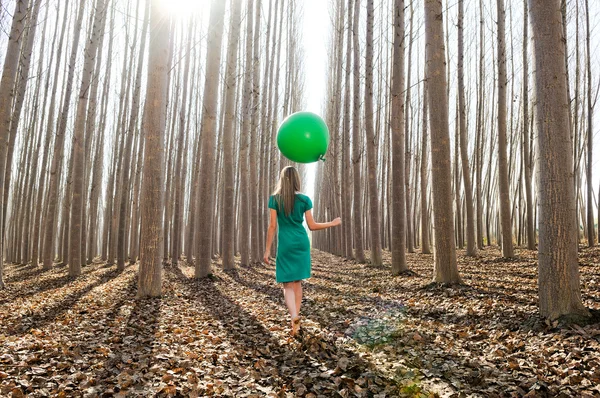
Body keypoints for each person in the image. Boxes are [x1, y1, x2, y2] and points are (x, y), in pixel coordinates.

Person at [263, 166, 341, 336]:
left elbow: (272, 226)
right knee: (297, 283)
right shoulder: (305, 199)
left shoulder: (275, 199)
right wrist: (332, 223)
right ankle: (295, 322)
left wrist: (267, 250)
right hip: (301, 241)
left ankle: (294, 316)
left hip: (285, 243)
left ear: (282, 180)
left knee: (287, 283)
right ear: (297, 180)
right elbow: (312, 226)